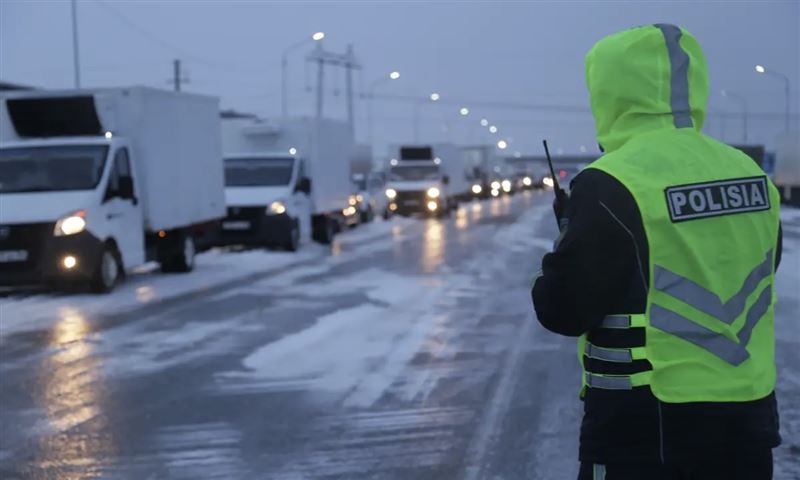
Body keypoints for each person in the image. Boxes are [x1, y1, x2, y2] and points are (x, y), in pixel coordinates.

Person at [531, 24, 783, 480]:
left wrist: (567, 238)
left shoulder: (609, 182)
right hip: (748, 426)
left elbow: (562, 310)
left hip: (645, 433)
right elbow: (760, 263)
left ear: (611, 93)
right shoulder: (749, 174)